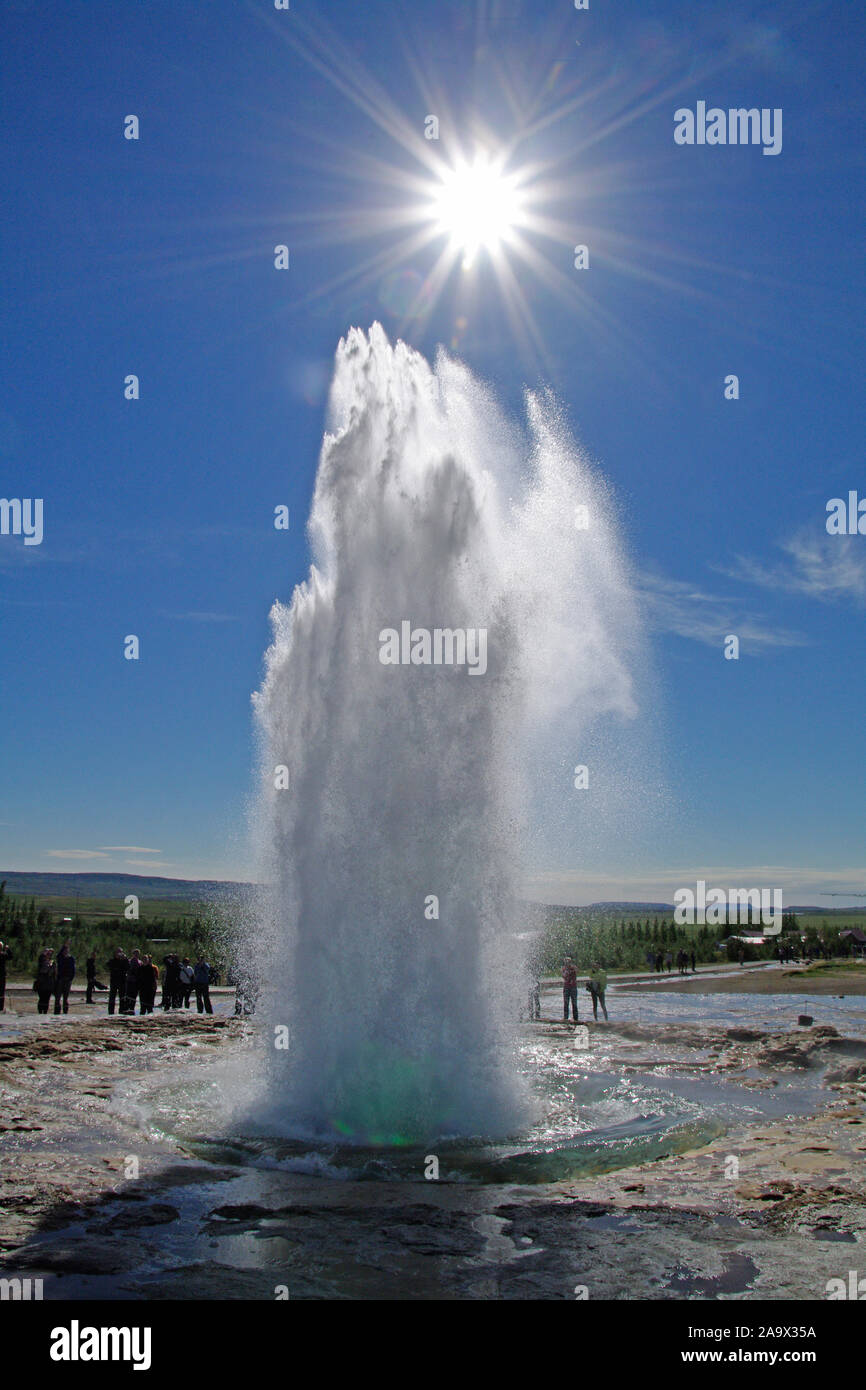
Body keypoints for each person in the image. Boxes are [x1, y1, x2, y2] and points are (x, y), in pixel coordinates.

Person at [54, 942, 76, 1014]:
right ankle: (57, 1011)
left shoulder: (71, 959)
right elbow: (58, 956)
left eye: (67, 950)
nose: (66, 951)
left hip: (68, 979)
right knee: (58, 996)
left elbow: (73, 969)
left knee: (65, 997)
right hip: (60, 979)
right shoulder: (60, 957)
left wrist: (71, 978)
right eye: (65, 950)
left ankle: (65, 1011)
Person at [106, 948, 129, 1015]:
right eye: (118, 952)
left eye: (121, 952)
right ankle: (111, 1012)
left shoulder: (124, 961)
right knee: (112, 997)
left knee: (122, 997)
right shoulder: (112, 960)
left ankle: (121, 1011)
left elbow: (128, 967)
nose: (119, 954)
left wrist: (125, 959)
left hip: (122, 981)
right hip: (114, 981)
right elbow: (108, 965)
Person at [34, 948, 56, 1014]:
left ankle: (45, 1012)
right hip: (41, 983)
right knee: (41, 998)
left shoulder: (52, 962)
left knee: (47, 999)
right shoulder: (42, 961)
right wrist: (45, 952)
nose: (48, 955)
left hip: (49, 983)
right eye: (47, 954)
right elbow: (41, 958)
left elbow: (54, 973)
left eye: (50, 954)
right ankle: (40, 1012)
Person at [122, 950, 142, 1015]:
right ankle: (126, 1009)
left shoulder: (140, 962)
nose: (136, 955)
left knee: (134, 996)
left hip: (136, 982)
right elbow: (128, 969)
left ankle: (132, 1009)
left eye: (137, 954)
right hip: (130, 981)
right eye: (135, 953)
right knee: (128, 995)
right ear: (133, 954)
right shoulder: (129, 961)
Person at [562, 957, 578, 1022]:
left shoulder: (573, 967)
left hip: (573, 987)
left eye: (568, 961)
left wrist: (572, 969)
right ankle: (566, 1017)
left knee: (574, 1003)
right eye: (566, 961)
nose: (567, 963)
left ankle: (576, 1018)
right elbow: (563, 976)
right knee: (566, 1003)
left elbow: (577, 971)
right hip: (566, 987)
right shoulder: (563, 968)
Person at [0, 941, 11, 1012]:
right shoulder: (2, 954)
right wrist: (7, 949)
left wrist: (7, 950)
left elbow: (9, 957)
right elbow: (9, 956)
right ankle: (0, 1006)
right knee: (1, 991)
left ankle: (0, 1006)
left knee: (1, 992)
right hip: (1, 975)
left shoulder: (3, 954)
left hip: (2, 975)